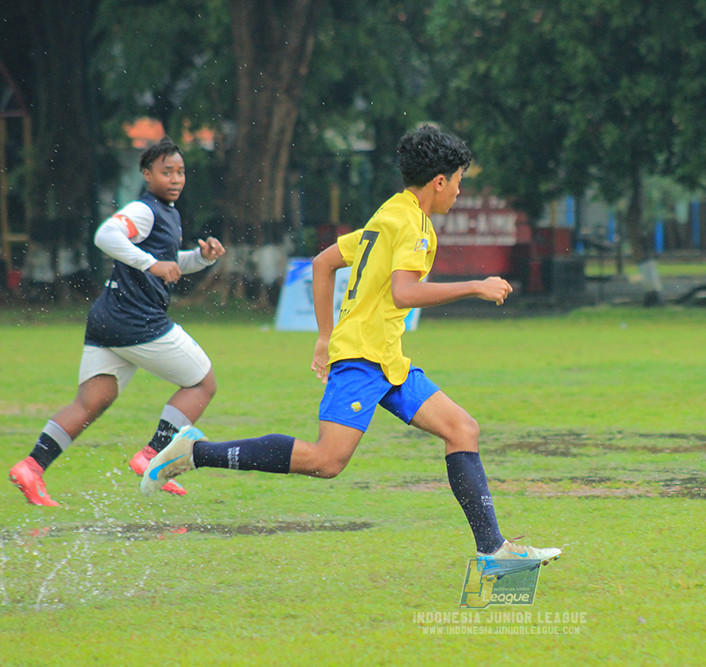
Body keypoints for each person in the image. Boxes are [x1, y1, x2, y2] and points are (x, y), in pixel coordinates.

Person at [142, 125, 560, 566]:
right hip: (363, 359)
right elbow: (404, 293)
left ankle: (493, 551)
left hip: (386, 359)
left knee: (462, 429)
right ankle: (195, 451)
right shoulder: (413, 225)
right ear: (439, 181)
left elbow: (324, 263)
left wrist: (325, 335)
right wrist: (475, 285)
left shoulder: (392, 212)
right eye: (459, 180)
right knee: (326, 460)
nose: (460, 190)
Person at [8, 136, 226, 506]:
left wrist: (201, 259)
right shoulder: (145, 210)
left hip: (108, 319)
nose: (175, 179)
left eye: (180, 172)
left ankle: (31, 466)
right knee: (202, 383)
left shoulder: (168, 214)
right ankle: (152, 456)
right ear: (147, 174)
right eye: (166, 172)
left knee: (92, 401)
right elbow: (105, 235)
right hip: (136, 320)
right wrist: (150, 263)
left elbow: (169, 264)